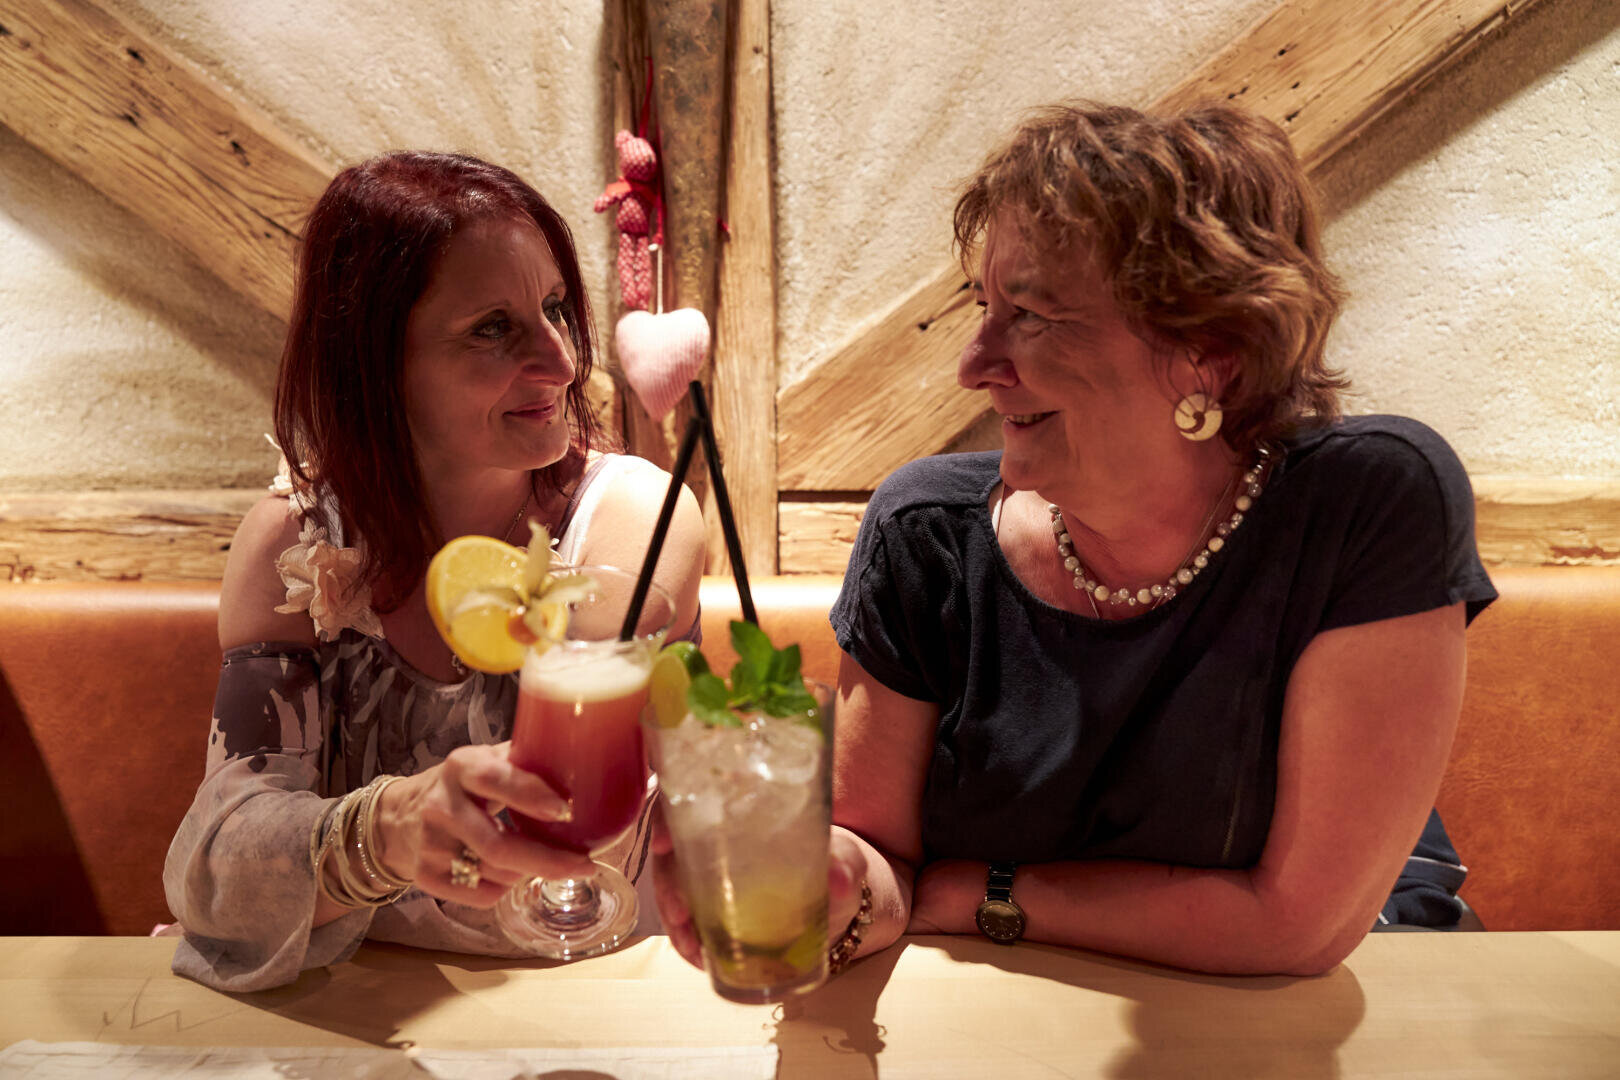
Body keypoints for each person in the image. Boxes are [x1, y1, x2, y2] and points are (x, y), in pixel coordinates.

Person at [655, 101, 1496, 978]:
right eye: (985, 307)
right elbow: (877, 869)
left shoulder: (1367, 502)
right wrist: (830, 888)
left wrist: (979, 894)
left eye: (1031, 315)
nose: (974, 366)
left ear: (1209, 349)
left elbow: (1297, 929)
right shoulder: (926, 535)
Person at [164, 151, 706, 991]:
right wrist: (382, 829)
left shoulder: (635, 517)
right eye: (494, 327)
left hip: (603, 997)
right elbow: (218, 864)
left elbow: (574, 795)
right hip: (362, 1019)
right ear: (376, 363)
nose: (562, 362)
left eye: (556, 308)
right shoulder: (294, 550)